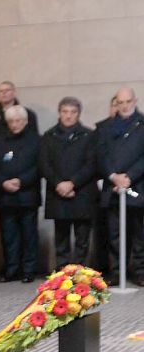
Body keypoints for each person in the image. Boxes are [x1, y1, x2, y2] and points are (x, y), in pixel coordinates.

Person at [39, 97, 97, 269]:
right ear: (59, 113)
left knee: (82, 239)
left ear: (78, 114)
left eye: (72, 112)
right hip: (58, 194)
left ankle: (81, 275)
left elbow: (91, 164)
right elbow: (44, 164)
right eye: (65, 112)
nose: (68, 116)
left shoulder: (89, 135)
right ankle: (62, 276)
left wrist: (72, 183)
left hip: (82, 193)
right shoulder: (49, 136)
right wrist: (59, 184)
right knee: (61, 239)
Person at [96, 86, 144, 285]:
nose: (124, 106)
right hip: (113, 188)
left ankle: (140, 271)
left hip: (137, 186)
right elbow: (101, 155)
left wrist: (129, 177)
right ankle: (117, 271)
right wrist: (114, 176)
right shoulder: (105, 127)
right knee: (115, 233)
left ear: (135, 101)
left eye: (128, 102)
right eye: (120, 102)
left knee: (139, 233)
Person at [0, 105, 41, 283]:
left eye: (18, 120)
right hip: (5, 195)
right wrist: (3, 182)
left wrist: (21, 181)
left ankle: (28, 269)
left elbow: (39, 166)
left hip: (27, 194)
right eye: (11, 121)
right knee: (8, 235)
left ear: (25, 121)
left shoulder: (36, 140)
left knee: (29, 234)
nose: (15, 124)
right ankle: (12, 268)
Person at [91, 96, 119, 275]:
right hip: (104, 188)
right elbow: (96, 156)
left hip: (126, 185)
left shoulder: (136, 128)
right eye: (115, 104)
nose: (117, 108)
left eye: (121, 104)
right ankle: (105, 268)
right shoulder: (101, 128)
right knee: (103, 231)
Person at [0, 81, 39, 156]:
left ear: (14, 93)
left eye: (7, 90)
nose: (4, 93)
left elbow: (34, 139)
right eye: (1, 91)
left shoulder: (29, 114)